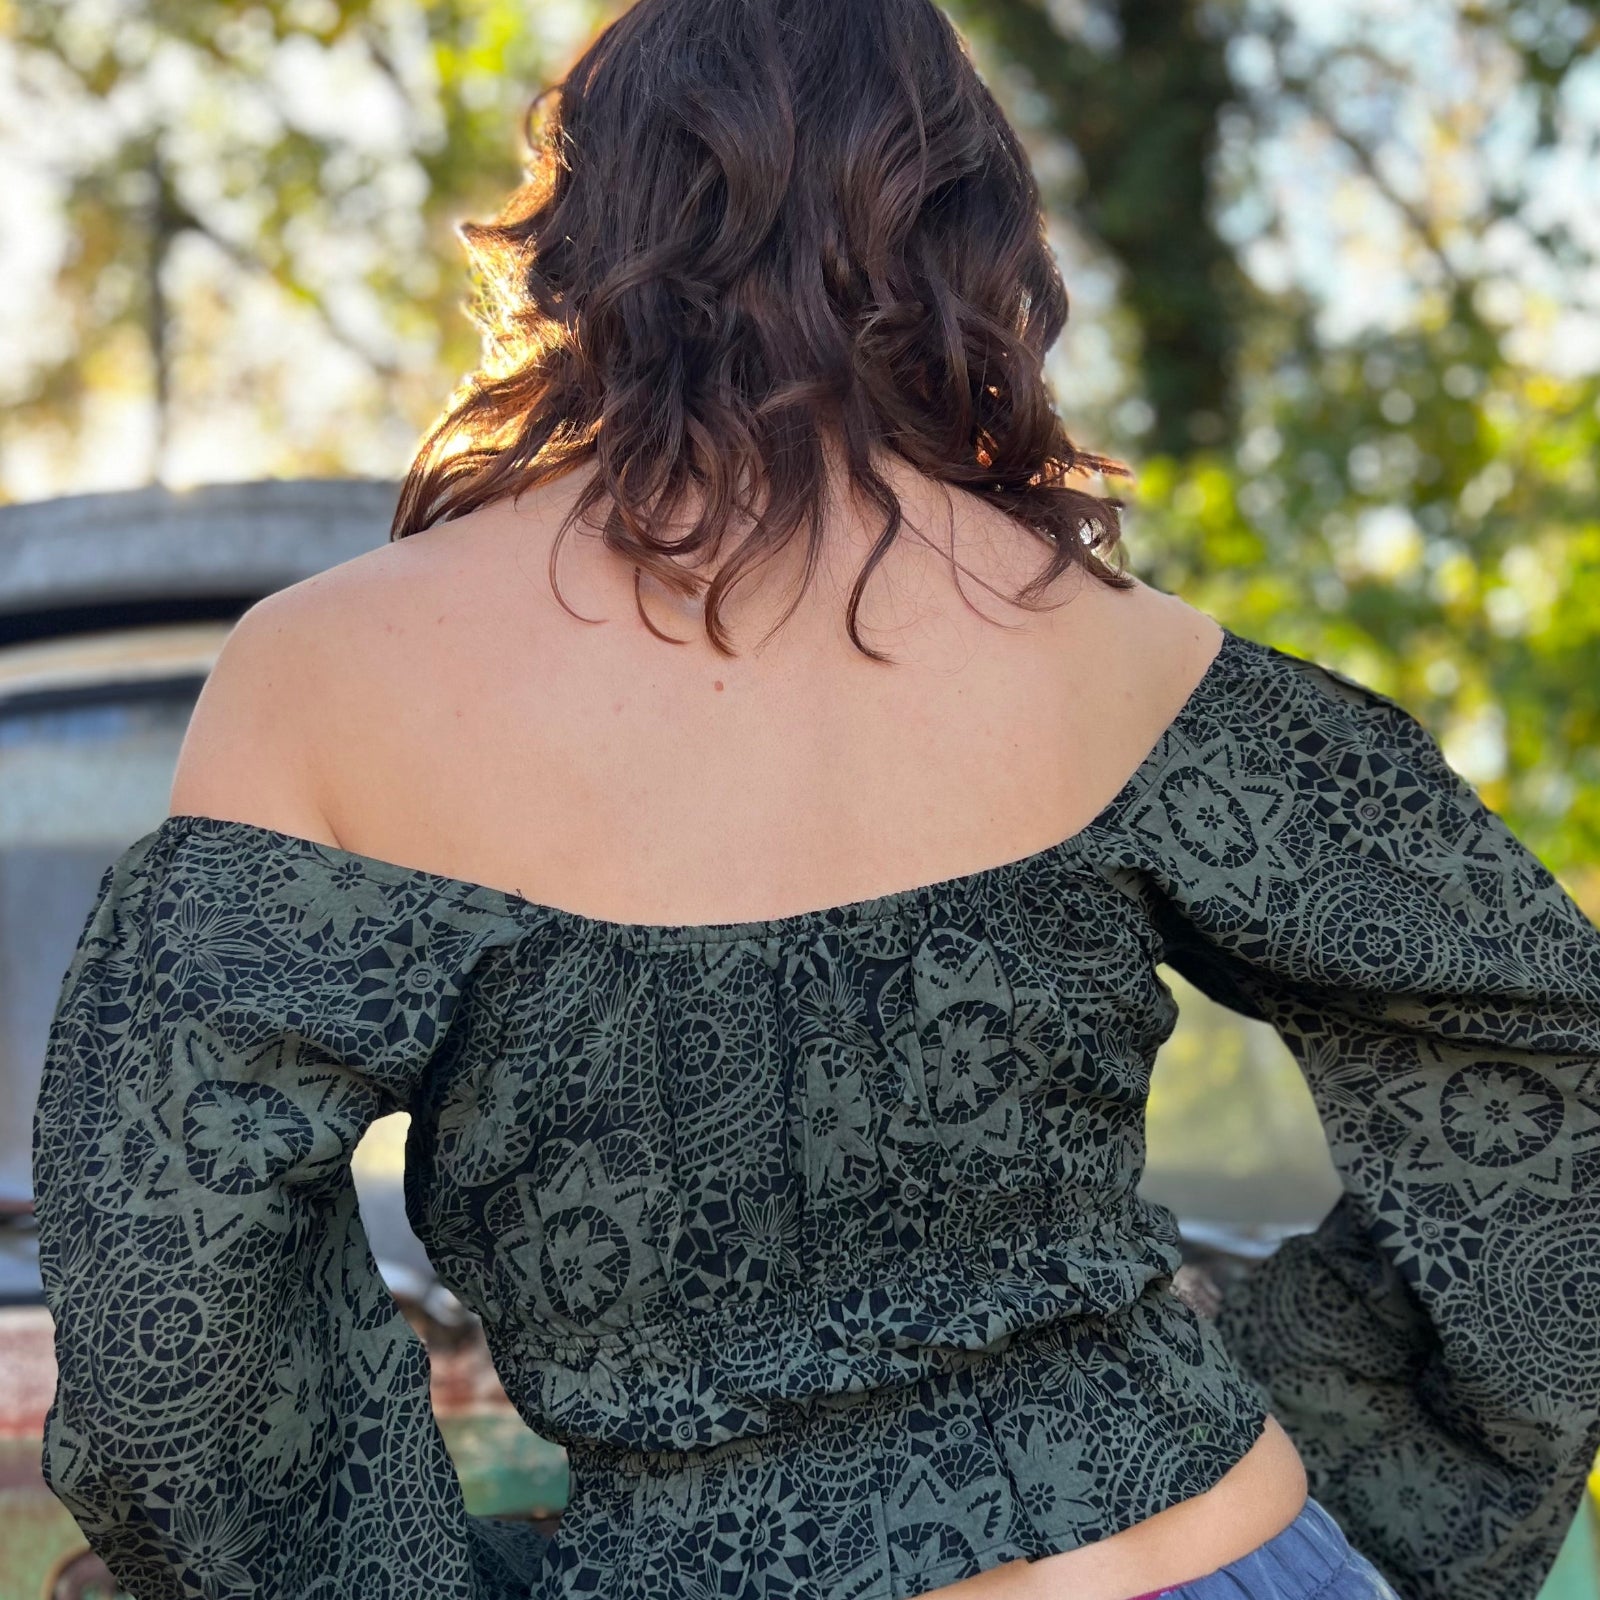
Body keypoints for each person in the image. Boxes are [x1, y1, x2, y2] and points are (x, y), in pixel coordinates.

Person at [31, 1, 1600, 1598]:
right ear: (970, 234)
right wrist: (1342, 1417)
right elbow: (1549, 1051)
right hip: (1233, 1554)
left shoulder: (323, 670)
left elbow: (174, 1333)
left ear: (576, 233)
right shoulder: (1121, 654)